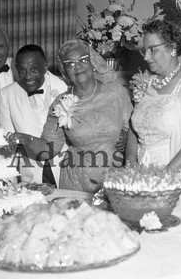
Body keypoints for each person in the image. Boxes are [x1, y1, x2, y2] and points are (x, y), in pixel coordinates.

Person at [8, 39, 132, 193]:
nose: (77, 65)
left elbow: (133, 128)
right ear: (65, 71)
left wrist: (125, 136)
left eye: (83, 59)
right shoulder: (60, 103)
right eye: (70, 63)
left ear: (93, 62)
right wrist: (28, 140)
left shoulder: (116, 92)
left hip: (115, 177)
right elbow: (48, 148)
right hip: (76, 181)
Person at [125, 19, 181, 217]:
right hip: (142, 175)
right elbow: (134, 127)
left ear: (172, 48)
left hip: (175, 173)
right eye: (144, 50)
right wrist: (131, 163)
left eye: (153, 49)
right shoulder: (145, 82)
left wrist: (162, 180)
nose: (146, 57)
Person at [0, 44, 68, 186]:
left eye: (34, 69)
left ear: (45, 67)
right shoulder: (6, 94)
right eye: (22, 70)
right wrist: (7, 182)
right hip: (31, 173)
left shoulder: (65, 88)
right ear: (16, 69)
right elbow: (6, 142)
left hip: (65, 169)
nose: (28, 76)